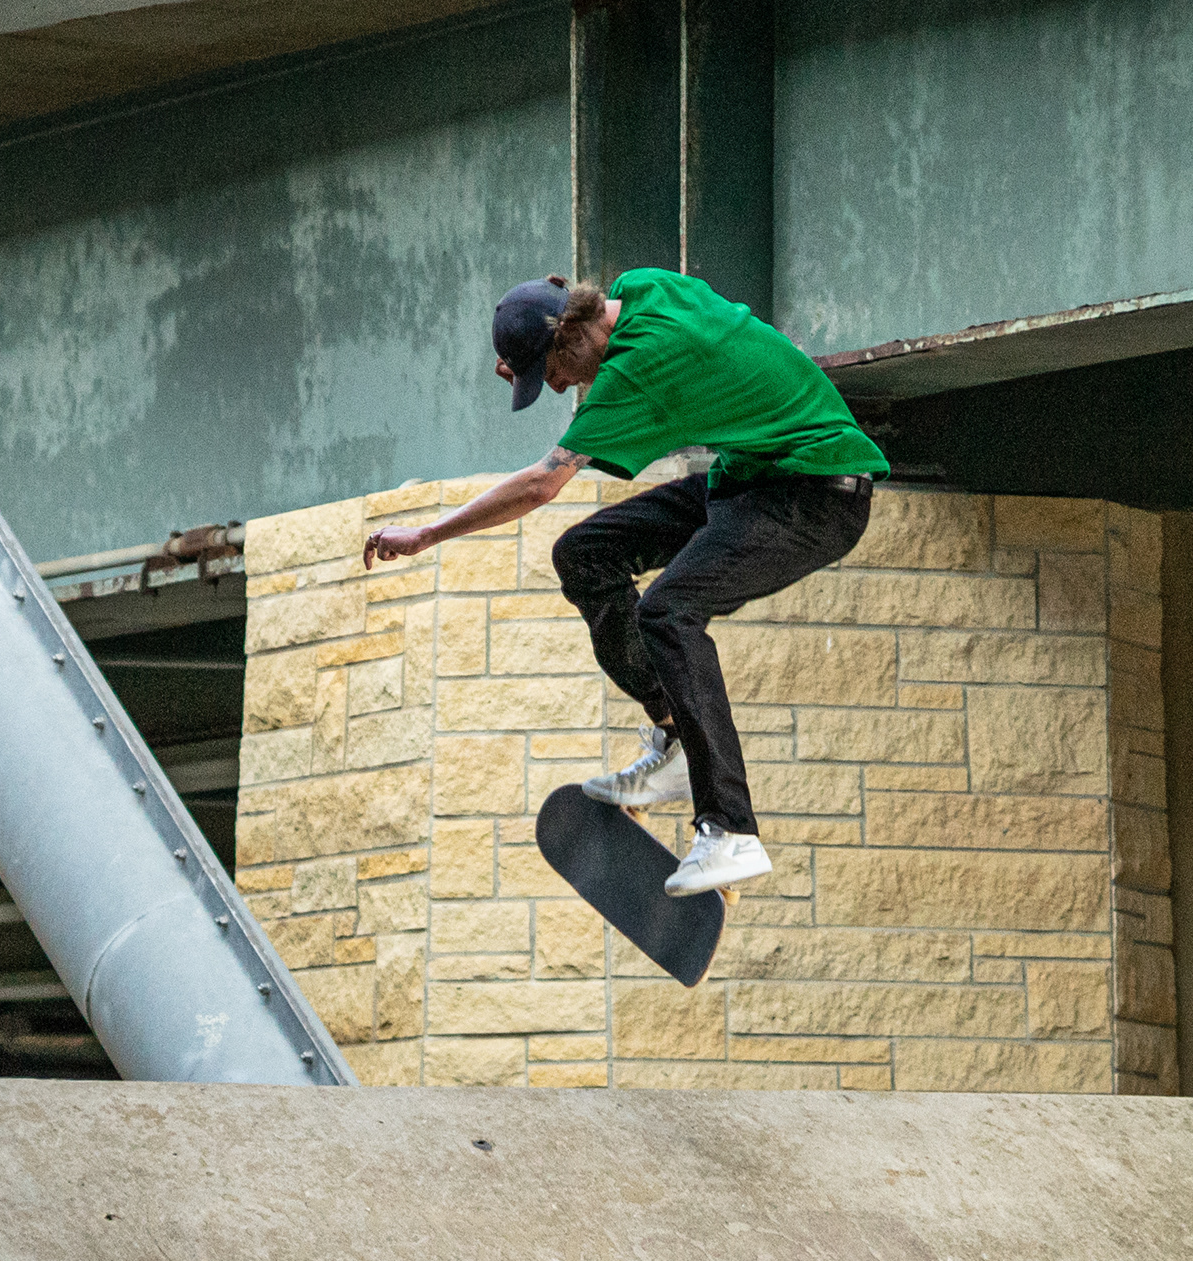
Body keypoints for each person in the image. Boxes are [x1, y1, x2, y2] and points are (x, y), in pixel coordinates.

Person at [363, 270, 887, 898]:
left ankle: (731, 831)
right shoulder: (645, 289)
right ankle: (671, 736)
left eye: (554, 371)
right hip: (754, 479)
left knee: (669, 612)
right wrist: (531, 347)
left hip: (817, 492)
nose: (559, 387)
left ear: (572, 333)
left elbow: (540, 484)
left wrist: (426, 534)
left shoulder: (635, 372)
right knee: (585, 555)